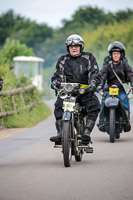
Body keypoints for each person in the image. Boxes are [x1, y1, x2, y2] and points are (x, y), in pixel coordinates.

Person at [50, 34, 101, 143]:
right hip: (67, 92)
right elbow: (56, 76)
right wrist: (55, 83)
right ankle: (60, 133)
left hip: (85, 92)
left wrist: (92, 84)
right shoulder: (62, 60)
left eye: (76, 46)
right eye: (71, 46)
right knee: (58, 106)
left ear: (81, 47)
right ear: (67, 48)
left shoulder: (89, 57)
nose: (74, 48)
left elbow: (95, 74)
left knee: (95, 105)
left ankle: (86, 132)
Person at [97, 41, 133, 121]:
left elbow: (131, 75)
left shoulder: (125, 66)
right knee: (103, 101)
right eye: (114, 54)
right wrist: (100, 86)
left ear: (121, 55)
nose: (116, 55)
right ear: (111, 55)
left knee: (125, 101)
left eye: (117, 53)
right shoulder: (107, 66)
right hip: (109, 90)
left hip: (121, 90)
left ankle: (126, 118)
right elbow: (103, 78)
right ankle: (102, 119)